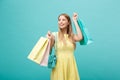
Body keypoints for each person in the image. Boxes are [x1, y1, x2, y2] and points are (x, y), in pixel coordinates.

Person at [46, 12, 83, 80]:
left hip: (70, 65)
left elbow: (80, 37)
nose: (61, 22)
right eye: (59, 20)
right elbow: (49, 51)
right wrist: (49, 39)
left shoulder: (71, 36)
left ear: (68, 22)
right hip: (59, 66)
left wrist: (75, 21)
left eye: (63, 20)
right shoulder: (54, 35)